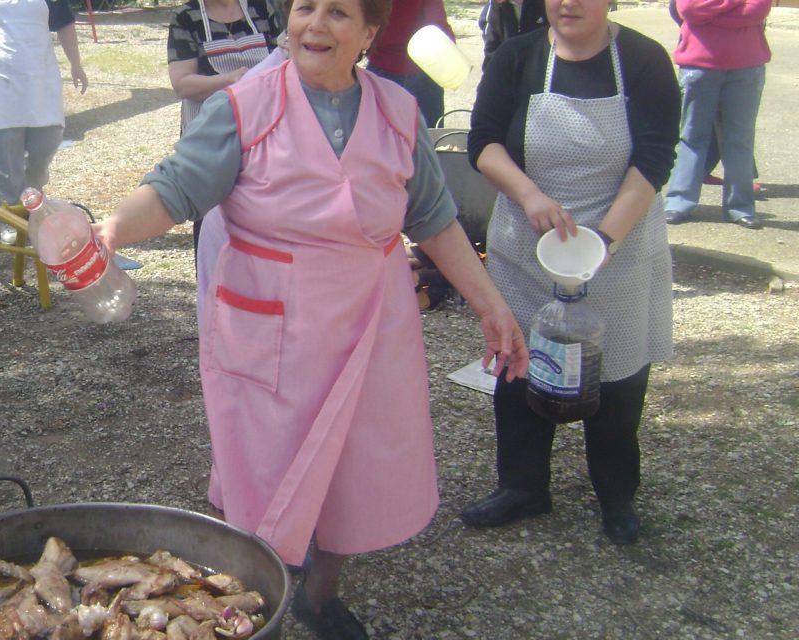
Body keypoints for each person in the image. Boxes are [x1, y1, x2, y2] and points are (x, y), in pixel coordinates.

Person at [96, 0, 529, 635]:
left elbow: (433, 217)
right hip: (269, 321)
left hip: (370, 322)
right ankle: (251, 594)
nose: (315, 26)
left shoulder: (397, 111)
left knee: (355, 463)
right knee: (265, 462)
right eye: (305, 8)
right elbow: (174, 189)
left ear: (370, 33)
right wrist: (109, 231)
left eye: (338, 12)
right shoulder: (247, 105)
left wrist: (494, 305)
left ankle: (322, 595)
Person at [461, 0, 679, 545]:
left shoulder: (644, 60)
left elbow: (654, 157)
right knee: (519, 369)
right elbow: (482, 141)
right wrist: (529, 194)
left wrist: (602, 241)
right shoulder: (517, 57)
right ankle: (523, 486)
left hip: (618, 248)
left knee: (618, 376)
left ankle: (615, 494)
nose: (568, 3)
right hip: (528, 248)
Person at [0, 0, 88, 244]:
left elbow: (64, 23)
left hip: (39, 76)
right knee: (5, 151)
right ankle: (8, 215)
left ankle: (31, 202)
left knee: (47, 140)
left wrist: (76, 64)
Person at [168, 0, 282, 261]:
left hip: (263, 133)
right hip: (209, 139)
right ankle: (210, 291)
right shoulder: (187, 16)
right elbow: (182, 84)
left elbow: (286, 61)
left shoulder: (261, 8)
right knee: (209, 216)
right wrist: (232, 79)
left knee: (261, 211)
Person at [663, 0, 770, 228]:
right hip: (699, 66)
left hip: (746, 67)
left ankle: (740, 207)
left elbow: (756, 11)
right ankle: (679, 202)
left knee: (739, 140)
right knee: (692, 136)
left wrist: (710, 15)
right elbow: (688, 10)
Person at [364, 0, 454, 128]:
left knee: (376, 139)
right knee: (429, 139)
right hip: (423, 68)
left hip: (387, 67)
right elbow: (437, 21)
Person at [479, 0, 547, 70]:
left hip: (536, 69)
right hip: (505, 69)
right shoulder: (496, 6)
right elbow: (491, 45)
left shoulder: (543, 5)